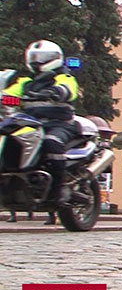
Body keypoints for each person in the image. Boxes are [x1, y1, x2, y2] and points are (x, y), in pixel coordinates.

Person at [1, 40, 79, 207]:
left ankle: (59, 190)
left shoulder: (63, 77)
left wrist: (55, 92)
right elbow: (8, 94)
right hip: (32, 124)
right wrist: (3, 97)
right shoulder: (26, 82)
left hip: (60, 124)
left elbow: (68, 89)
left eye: (41, 57)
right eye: (34, 57)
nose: (37, 61)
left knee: (51, 143)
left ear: (55, 58)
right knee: (8, 136)